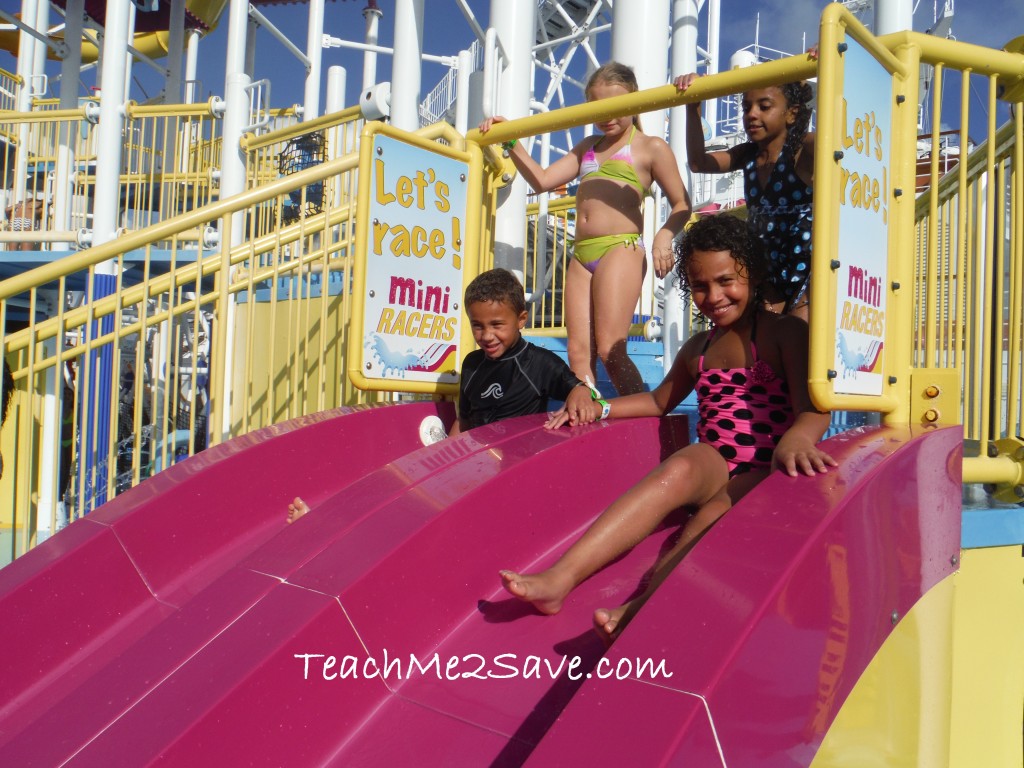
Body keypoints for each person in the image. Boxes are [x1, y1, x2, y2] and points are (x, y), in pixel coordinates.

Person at [499, 214, 836, 641]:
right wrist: (600, 407)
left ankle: (642, 606)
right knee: (677, 468)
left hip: (765, 469)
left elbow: (816, 407)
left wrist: (799, 438)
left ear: (754, 271)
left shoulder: (784, 333)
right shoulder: (700, 348)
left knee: (709, 519)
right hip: (716, 458)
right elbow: (660, 401)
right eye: (700, 285)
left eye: (727, 280)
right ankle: (561, 577)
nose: (714, 295)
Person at [287, 269, 588, 522]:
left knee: (417, 515)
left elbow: (580, 389)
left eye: (497, 325)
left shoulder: (539, 364)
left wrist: (579, 394)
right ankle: (325, 520)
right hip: (475, 465)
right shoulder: (472, 364)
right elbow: (465, 423)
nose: (486, 335)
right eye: (477, 325)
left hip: (512, 473)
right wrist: (441, 462)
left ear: (521, 319)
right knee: (401, 483)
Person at [479, 61, 692, 396]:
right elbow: (544, 180)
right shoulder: (587, 147)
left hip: (619, 249)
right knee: (578, 355)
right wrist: (511, 141)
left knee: (611, 349)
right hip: (581, 256)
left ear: (634, 100)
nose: (606, 116)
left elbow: (682, 203)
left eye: (615, 106)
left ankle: (643, 423)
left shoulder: (650, 147)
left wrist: (663, 236)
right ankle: (588, 420)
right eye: (597, 108)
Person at [675, 72, 816, 318]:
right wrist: (693, 106)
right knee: (764, 340)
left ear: (791, 113)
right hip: (764, 266)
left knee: (797, 338)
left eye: (764, 107)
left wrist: (825, 63)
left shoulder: (804, 150)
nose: (752, 114)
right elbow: (698, 163)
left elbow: (840, 144)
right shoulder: (748, 155)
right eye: (747, 107)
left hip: (805, 265)